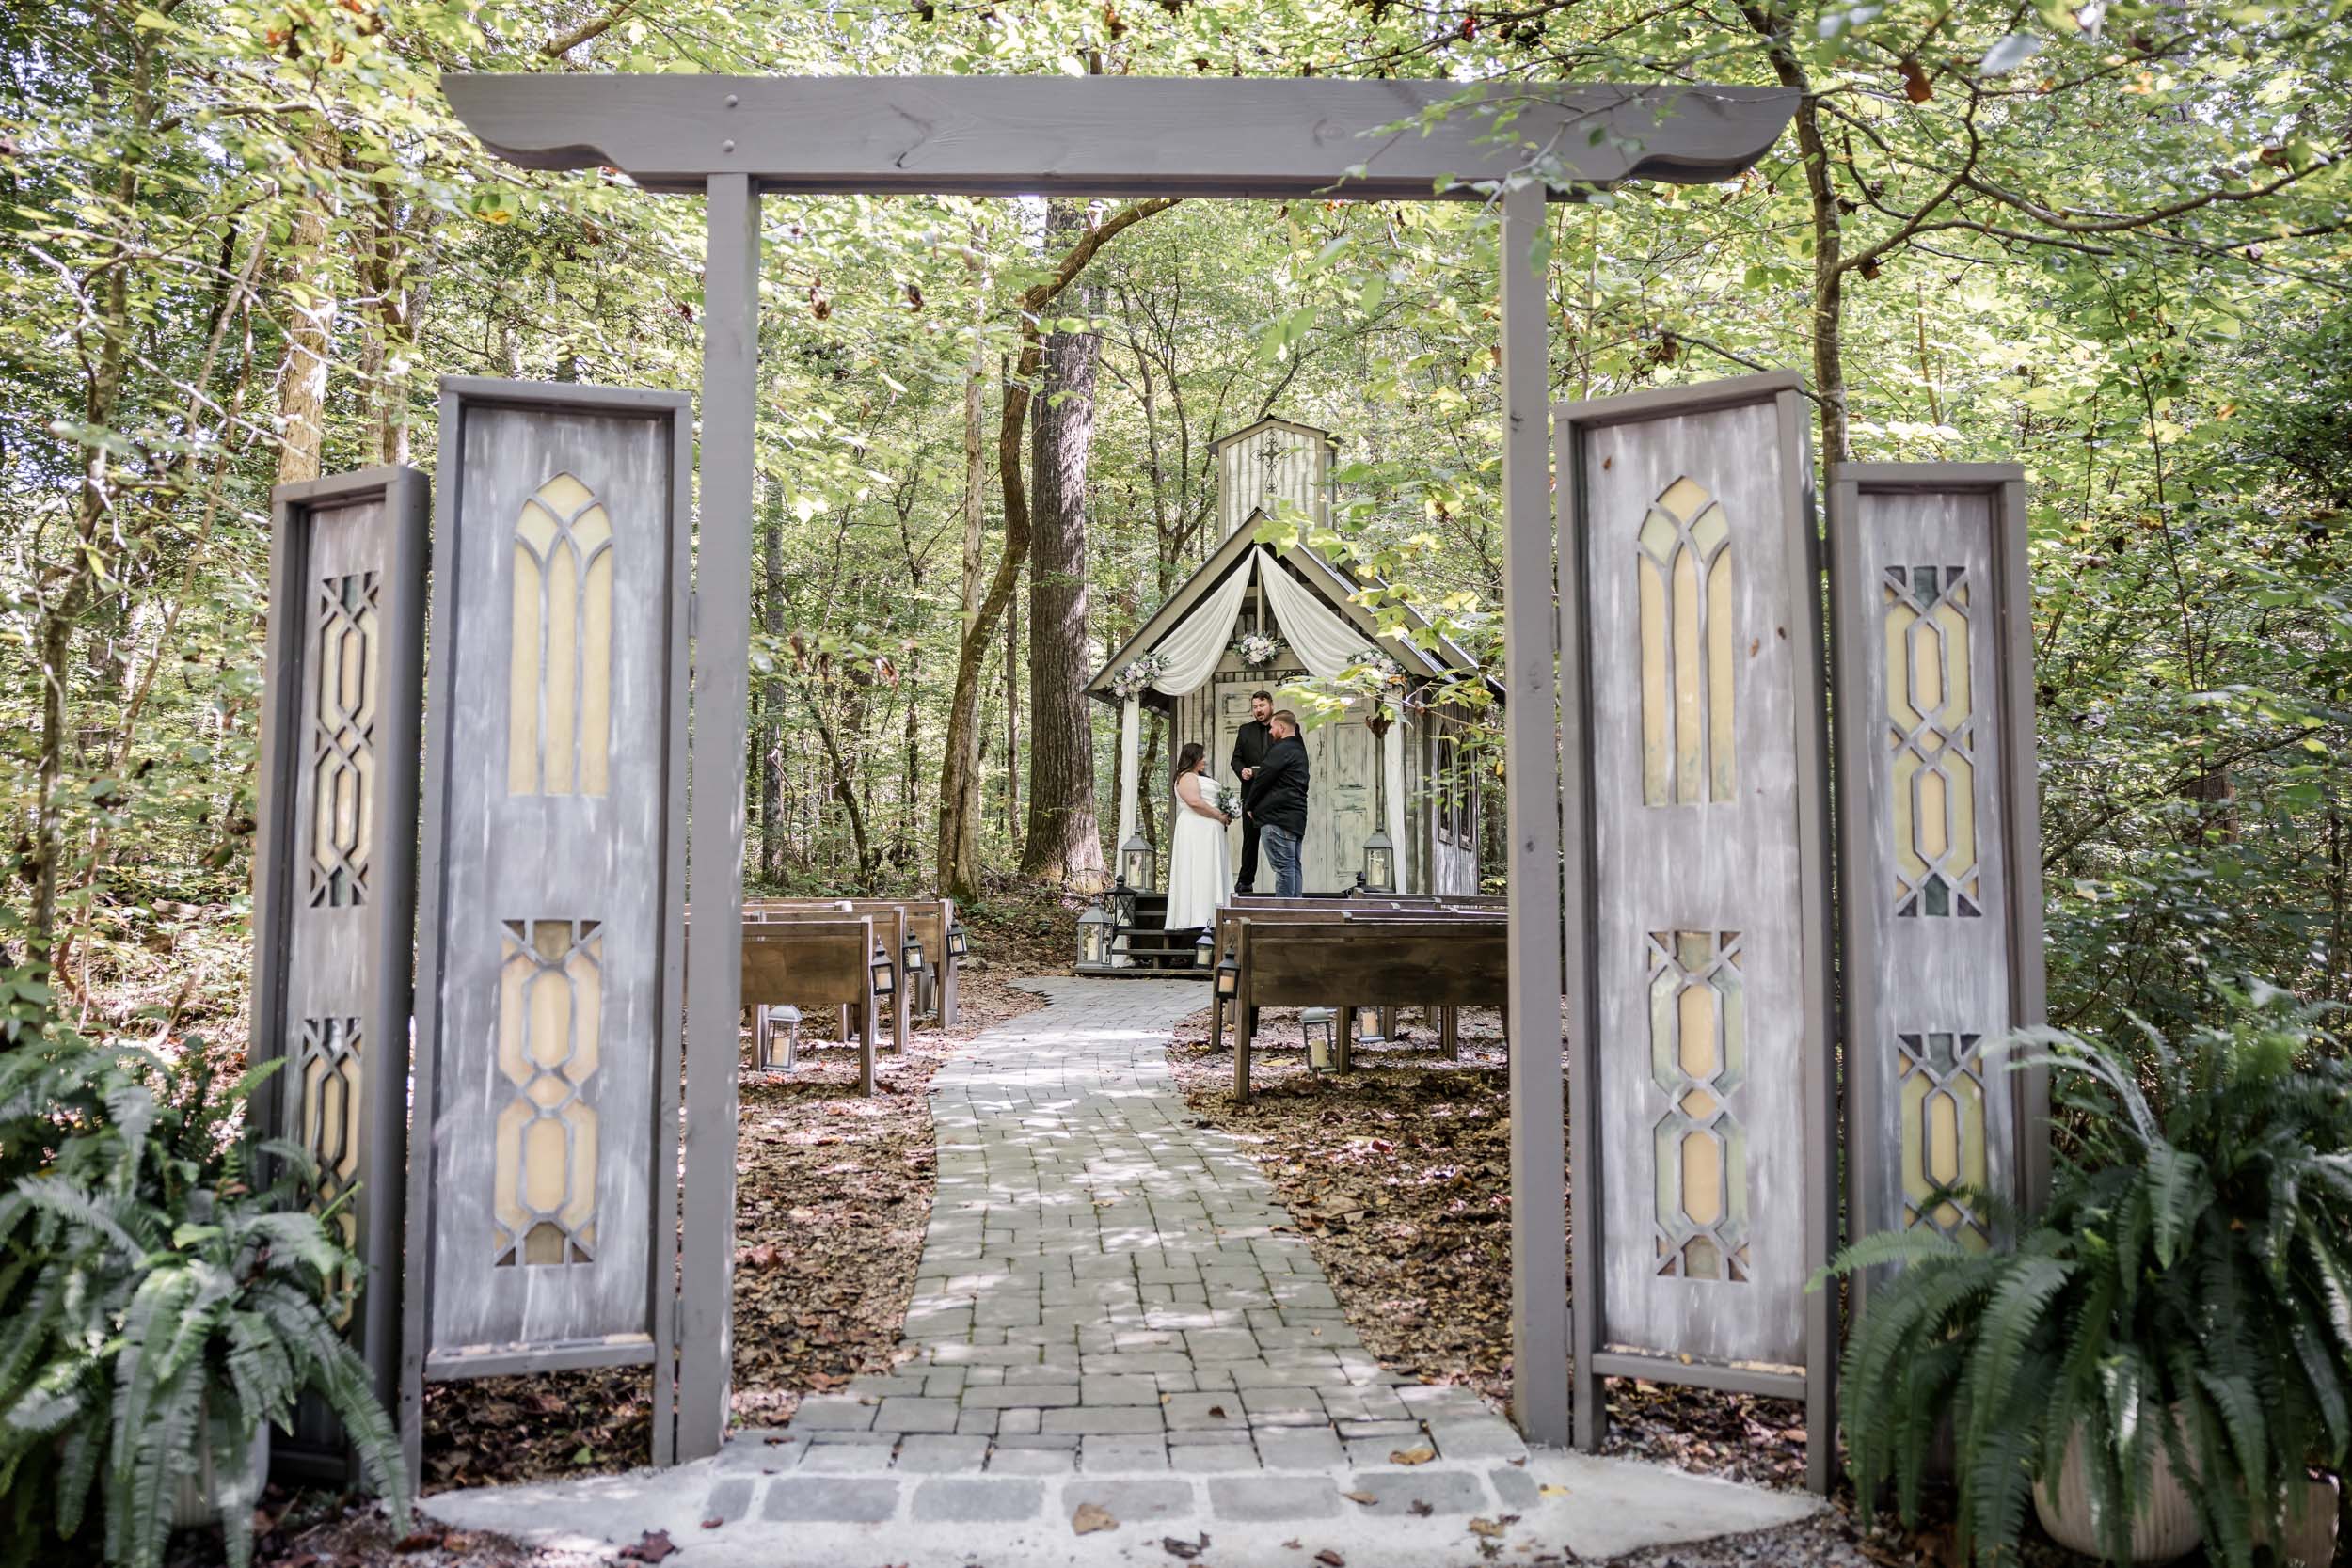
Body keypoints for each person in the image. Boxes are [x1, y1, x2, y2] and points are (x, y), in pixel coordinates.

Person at [1162, 741, 1234, 932]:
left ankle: (1214, 911)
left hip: (1209, 829)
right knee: (1199, 869)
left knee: (1209, 868)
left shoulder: (1197, 776)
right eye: (1201, 757)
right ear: (1193, 758)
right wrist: (1219, 815)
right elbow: (1194, 801)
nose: (1204, 760)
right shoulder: (1186, 777)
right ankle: (1199, 915)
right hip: (1197, 828)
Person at [1244, 709, 1310, 898]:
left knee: (1283, 869)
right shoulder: (1299, 750)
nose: (1270, 731)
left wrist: (1249, 805)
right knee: (1292, 866)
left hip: (1277, 818)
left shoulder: (1281, 749)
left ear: (1281, 727)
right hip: (1295, 818)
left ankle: (1284, 915)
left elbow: (1263, 778)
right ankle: (1296, 912)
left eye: (1272, 728)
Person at [1228, 690, 1274, 895]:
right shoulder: (1245, 730)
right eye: (1255, 707)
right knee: (1250, 840)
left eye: (1262, 706)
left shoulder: (1284, 727)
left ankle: (1286, 884)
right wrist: (1242, 771)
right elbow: (1235, 759)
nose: (1258, 710)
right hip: (1252, 793)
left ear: (1271, 705)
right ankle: (1245, 882)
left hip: (1275, 793)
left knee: (1280, 838)